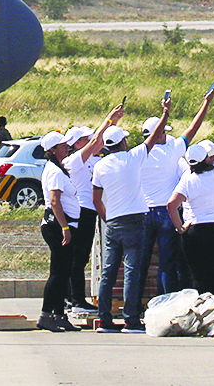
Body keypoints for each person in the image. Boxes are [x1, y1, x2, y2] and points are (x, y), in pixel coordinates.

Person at [91, 108, 165, 333]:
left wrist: (107, 217)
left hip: (112, 222)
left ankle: (104, 320)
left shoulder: (100, 166)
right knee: (132, 270)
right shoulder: (133, 157)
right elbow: (154, 137)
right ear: (122, 142)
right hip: (134, 220)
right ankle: (130, 320)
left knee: (109, 272)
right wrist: (165, 113)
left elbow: (96, 200)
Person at [138, 87, 214, 303]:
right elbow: (193, 128)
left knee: (140, 264)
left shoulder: (137, 153)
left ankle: (134, 309)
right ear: (160, 132)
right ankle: (166, 304)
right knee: (166, 263)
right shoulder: (171, 150)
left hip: (144, 213)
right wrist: (206, 104)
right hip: (166, 213)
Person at [37, 118, 111, 333]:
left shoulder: (59, 167)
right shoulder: (54, 171)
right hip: (58, 225)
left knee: (62, 271)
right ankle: (47, 314)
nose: (66, 147)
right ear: (53, 150)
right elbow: (54, 201)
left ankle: (58, 314)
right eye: (61, 146)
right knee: (59, 273)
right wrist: (65, 228)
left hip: (65, 224)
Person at [167, 131, 214, 295]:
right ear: (207, 158)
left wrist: (180, 228)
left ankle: (204, 315)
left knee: (200, 279)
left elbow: (171, 205)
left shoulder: (187, 179)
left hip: (195, 233)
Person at [63, 124, 99, 315]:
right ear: (76, 143)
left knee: (81, 257)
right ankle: (76, 299)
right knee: (78, 257)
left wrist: (113, 124)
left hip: (90, 210)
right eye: (84, 139)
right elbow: (95, 143)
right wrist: (109, 121)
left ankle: (71, 297)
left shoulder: (90, 159)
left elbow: (99, 143)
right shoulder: (74, 160)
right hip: (81, 210)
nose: (89, 141)